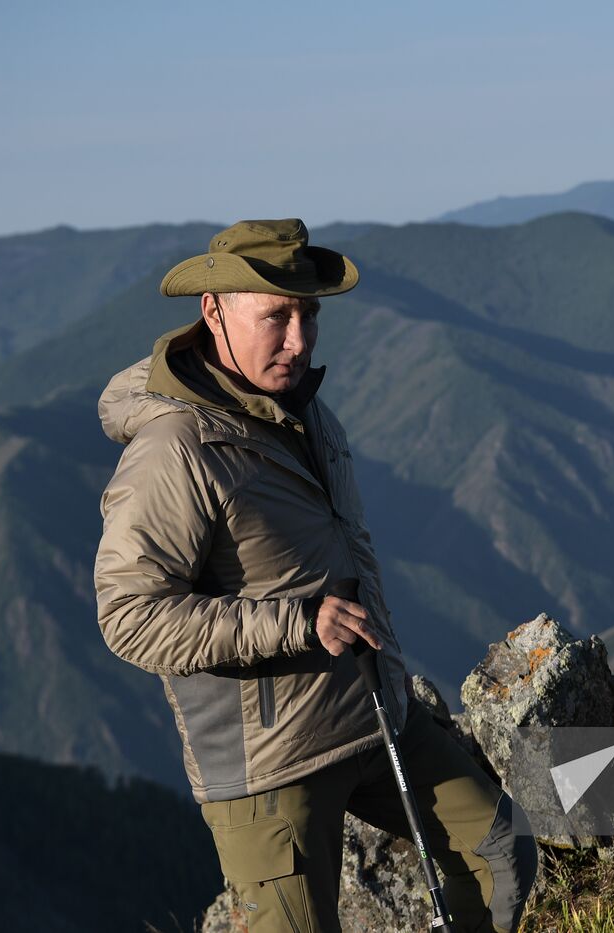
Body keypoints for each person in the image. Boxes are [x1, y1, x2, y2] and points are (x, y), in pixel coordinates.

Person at [93, 219, 536, 933]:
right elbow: (130, 615)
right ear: (214, 312)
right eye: (276, 316)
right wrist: (298, 621)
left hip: (373, 714)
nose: (299, 340)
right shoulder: (175, 449)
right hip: (272, 772)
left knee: (499, 849)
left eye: (309, 315)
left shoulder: (303, 412)